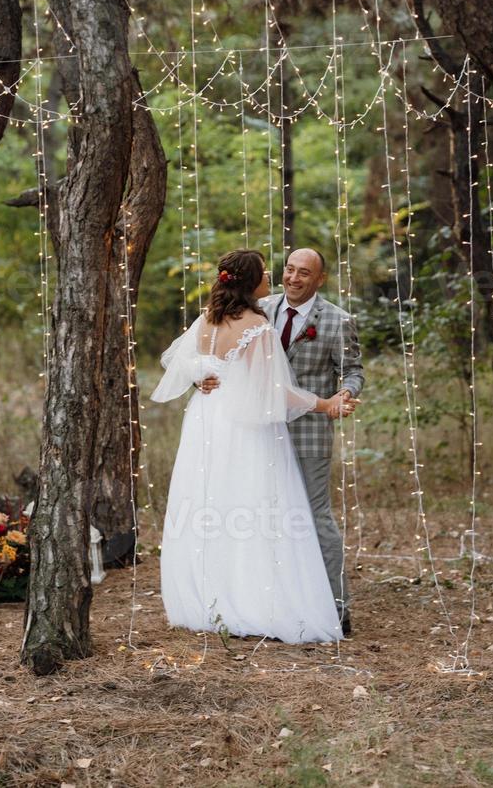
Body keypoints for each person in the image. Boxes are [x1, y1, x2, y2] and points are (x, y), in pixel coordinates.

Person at [150, 249, 357, 644]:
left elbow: (175, 358)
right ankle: (256, 600)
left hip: (208, 422)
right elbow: (274, 391)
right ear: (251, 283)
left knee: (217, 508)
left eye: (298, 271)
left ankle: (214, 599)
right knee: (260, 510)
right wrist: (323, 403)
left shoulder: (208, 317)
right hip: (247, 427)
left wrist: (204, 376)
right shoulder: (258, 323)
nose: (277, 277)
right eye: (268, 272)